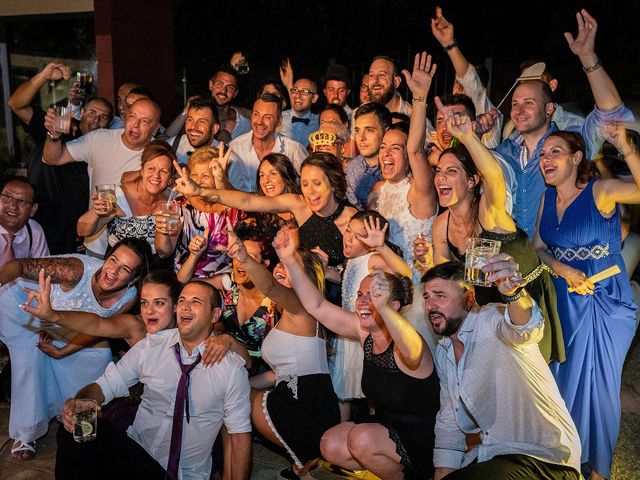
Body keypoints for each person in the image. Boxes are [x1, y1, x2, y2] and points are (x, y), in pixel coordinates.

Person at [274, 226, 438, 480]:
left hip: (423, 436)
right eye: (361, 294)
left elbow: (413, 354)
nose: (362, 301)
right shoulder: (366, 333)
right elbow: (317, 305)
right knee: (330, 443)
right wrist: (289, 260)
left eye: (372, 295)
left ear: (393, 305)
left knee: (360, 440)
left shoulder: (409, 339)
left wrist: (383, 309)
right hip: (386, 427)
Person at [54, 280, 252, 480]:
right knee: (76, 424)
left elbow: (239, 436)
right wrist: (82, 400)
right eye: (182, 300)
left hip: (181, 474)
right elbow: (103, 385)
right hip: (135, 457)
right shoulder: (151, 347)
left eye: (196, 301)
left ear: (215, 315)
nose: (185, 306)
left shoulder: (231, 369)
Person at [421, 98, 564, 363]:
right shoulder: (441, 226)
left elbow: (495, 175)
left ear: (472, 180)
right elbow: (447, 279)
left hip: (526, 297)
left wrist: (467, 136)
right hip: (486, 310)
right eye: (439, 171)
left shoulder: (490, 210)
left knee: (527, 379)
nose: (440, 177)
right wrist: (428, 267)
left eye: (451, 171)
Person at [534, 126, 640, 479]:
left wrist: (624, 145)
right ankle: (567, 455)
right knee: (562, 378)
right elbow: (538, 248)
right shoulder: (546, 198)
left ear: (576, 157)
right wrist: (561, 268)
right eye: (543, 154)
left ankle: (598, 469)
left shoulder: (601, 191)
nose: (546, 160)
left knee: (600, 385)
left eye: (555, 152)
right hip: (564, 297)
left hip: (603, 298)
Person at [423, 261, 581, 480]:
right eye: (427, 297)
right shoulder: (444, 352)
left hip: (545, 458)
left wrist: (514, 294)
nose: (430, 305)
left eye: (439, 295)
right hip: (497, 457)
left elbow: (527, 327)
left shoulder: (490, 319)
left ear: (468, 299)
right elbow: (449, 421)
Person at [0, 237, 150, 460]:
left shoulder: (128, 296)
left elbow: (98, 328)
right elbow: (18, 266)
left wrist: (64, 351)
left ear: (134, 278)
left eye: (124, 269)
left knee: (99, 357)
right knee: (28, 360)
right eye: (112, 260)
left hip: (63, 323)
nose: (112, 271)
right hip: (28, 305)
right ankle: (27, 433)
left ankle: (69, 414)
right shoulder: (75, 270)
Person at [494, 9, 634, 239]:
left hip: (560, 260)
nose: (518, 110)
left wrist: (588, 57)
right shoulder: (505, 149)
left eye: (528, 103)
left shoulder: (572, 143)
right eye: (515, 103)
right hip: (515, 263)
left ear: (549, 109)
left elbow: (611, 113)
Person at [225, 223, 339, 480]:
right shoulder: (299, 312)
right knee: (231, 390)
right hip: (314, 402)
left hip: (303, 405)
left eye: (288, 265)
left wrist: (244, 258)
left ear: (305, 278)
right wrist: (235, 380)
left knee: (230, 402)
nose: (279, 267)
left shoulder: (300, 305)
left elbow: (270, 288)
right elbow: (278, 374)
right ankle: (300, 469)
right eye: (279, 263)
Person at [172, 152, 358, 305]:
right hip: (304, 299)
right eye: (305, 184)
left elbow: (360, 277)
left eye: (317, 183)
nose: (310, 192)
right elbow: (247, 201)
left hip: (341, 301)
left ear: (332, 183)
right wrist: (200, 191)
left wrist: (327, 272)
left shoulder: (354, 219)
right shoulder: (299, 204)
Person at [7, 61, 113, 254]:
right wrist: (43, 77)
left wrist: (89, 232)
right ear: (81, 113)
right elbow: (16, 104)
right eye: (92, 113)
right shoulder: (60, 126)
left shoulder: (106, 149)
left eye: (103, 117)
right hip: (34, 225)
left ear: (109, 125)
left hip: (72, 236)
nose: (96, 120)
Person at [333, 211, 412, 421]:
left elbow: (404, 273)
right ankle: (343, 435)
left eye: (358, 236)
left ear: (370, 242)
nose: (348, 237)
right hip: (348, 336)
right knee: (343, 392)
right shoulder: (353, 260)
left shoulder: (373, 259)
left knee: (373, 394)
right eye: (348, 230)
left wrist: (381, 247)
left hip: (367, 334)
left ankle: (376, 430)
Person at [76, 140, 176, 265]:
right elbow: (82, 231)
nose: (156, 175)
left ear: (170, 176)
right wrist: (96, 212)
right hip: (118, 265)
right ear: (142, 170)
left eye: (164, 171)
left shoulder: (173, 202)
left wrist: (163, 231)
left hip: (153, 268)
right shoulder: (118, 196)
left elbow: (164, 252)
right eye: (151, 168)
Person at [430, 6, 502, 149]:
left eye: (457, 117)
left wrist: (449, 45)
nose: (449, 123)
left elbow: (470, 80)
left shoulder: (488, 117)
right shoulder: (436, 147)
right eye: (457, 82)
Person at [166, 146, 240, 280]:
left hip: (222, 281)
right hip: (182, 279)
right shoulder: (180, 204)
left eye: (205, 176)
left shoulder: (233, 208)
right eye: (194, 175)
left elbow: (241, 198)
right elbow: (163, 250)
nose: (198, 181)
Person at [227, 93, 309, 193]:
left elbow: (308, 188)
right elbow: (228, 191)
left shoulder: (293, 150)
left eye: (267, 117)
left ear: (279, 121)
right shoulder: (234, 148)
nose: (259, 122)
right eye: (256, 114)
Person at [346, 102, 391, 210]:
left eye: (369, 130)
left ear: (386, 132)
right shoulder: (352, 168)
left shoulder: (399, 165)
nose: (361, 137)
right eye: (357, 131)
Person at [0, 177, 49, 264]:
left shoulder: (34, 230)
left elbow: (43, 268)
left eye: (22, 201)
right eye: (7, 197)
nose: (13, 206)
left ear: (33, 209)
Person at [165, 96, 221, 165]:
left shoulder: (229, 160)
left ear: (214, 129)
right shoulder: (171, 145)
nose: (194, 126)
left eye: (201, 121)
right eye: (190, 120)